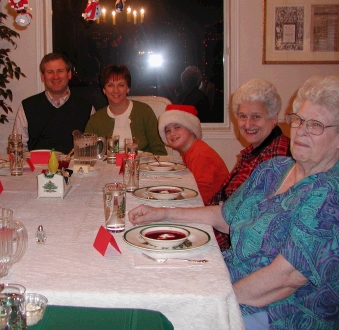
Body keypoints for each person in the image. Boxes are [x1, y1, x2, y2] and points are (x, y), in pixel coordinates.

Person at [129, 75, 339, 330]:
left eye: (316, 125)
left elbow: (285, 279)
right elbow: (225, 216)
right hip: (230, 277)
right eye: (298, 120)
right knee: (150, 282)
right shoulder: (274, 169)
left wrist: (215, 299)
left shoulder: (328, 192)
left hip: (280, 310)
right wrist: (161, 213)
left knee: (169, 317)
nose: (301, 131)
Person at [209, 78, 291, 251]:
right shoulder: (255, 151)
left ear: (274, 118)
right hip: (222, 231)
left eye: (256, 117)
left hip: (238, 247)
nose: (248, 124)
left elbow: (246, 220)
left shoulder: (276, 157)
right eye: (243, 116)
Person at [12, 53, 94, 154]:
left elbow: (92, 148)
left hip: (75, 168)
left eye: (60, 71)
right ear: (43, 77)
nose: (55, 76)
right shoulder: (27, 106)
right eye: (50, 72)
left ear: (69, 74)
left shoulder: (86, 107)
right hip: (38, 168)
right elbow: (18, 148)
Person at [84, 64, 167, 155]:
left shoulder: (145, 112)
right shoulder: (96, 119)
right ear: (104, 90)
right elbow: (87, 153)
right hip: (107, 168)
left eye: (121, 85)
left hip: (141, 167)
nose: (116, 91)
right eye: (110, 85)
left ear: (128, 88)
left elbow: (160, 152)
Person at [157, 104, 229, 203]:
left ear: (190, 128)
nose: (172, 133)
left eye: (177, 127)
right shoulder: (189, 150)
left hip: (215, 205)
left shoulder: (200, 154)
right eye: (168, 130)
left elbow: (201, 194)